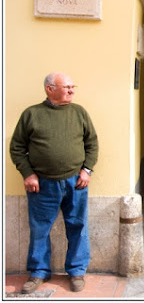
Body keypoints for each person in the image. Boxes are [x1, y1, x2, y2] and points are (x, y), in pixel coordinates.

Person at [10, 72, 99, 294]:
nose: (72, 90)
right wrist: (28, 174)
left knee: (77, 226)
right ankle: (38, 272)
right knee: (40, 228)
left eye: (72, 86)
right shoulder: (32, 114)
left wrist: (86, 170)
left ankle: (77, 271)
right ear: (50, 89)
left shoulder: (79, 112)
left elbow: (92, 143)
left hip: (75, 182)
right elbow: (17, 148)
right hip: (42, 184)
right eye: (67, 86)